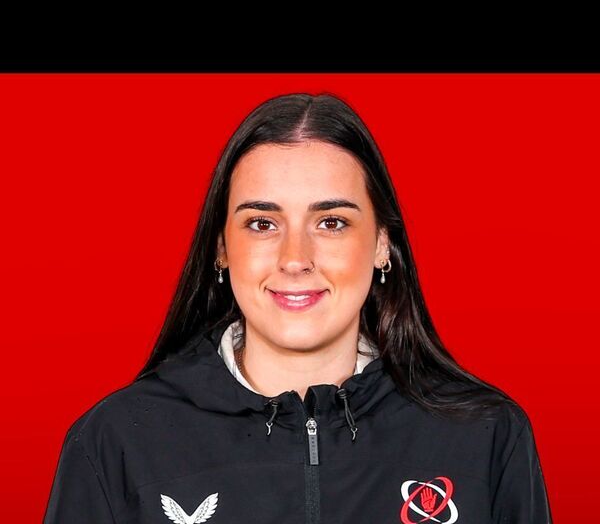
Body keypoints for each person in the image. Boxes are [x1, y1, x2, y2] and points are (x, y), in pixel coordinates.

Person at [43, 92, 553, 523]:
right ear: (221, 247)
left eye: (331, 222)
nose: (294, 259)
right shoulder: (115, 444)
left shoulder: (486, 437)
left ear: (382, 244)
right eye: (262, 223)